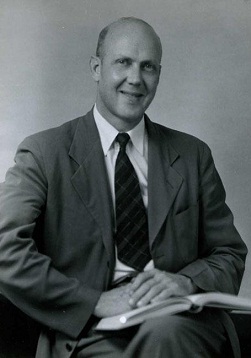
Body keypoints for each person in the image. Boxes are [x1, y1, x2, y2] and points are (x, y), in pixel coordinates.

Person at [0, 17, 247, 358]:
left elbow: (230, 255)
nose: (136, 79)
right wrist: (95, 301)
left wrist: (185, 281)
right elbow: (4, 249)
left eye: (148, 67)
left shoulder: (192, 155)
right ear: (96, 68)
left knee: (168, 334)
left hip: (180, 324)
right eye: (124, 63)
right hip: (91, 333)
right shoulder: (45, 153)